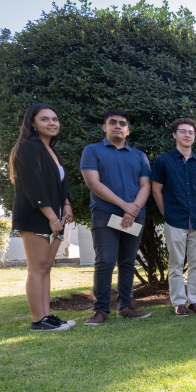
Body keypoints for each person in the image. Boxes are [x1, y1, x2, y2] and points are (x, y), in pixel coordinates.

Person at [81, 109, 152, 325]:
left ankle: (125, 307)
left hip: (134, 215)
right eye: (113, 122)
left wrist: (134, 209)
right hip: (105, 214)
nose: (118, 126)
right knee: (105, 262)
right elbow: (93, 182)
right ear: (104, 127)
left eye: (122, 123)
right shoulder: (92, 151)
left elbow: (145, 185)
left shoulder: (139, 155)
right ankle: (101, 310)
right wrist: (125, 207)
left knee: (128, 263)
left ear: (128, 130)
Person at [9, 103, 75, 331]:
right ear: (33, 124)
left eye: (54, 119)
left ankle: (47, 316)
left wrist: (66, 204)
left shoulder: (51, 150)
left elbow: (58, 185)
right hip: (36, 215)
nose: (52, 123)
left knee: (46, 267)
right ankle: (39, 320)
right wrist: (51, 217)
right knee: (37, 268)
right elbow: (33, 186)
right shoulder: (28, 147)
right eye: (45, 119)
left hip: (54, 215)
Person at [150, 118, 196, 317]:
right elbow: (156, 190)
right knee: (176, 263)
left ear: (194, 137)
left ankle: (195, 301)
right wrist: (166, 213)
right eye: (183, 131)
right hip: (174, 220)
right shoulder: (163, 161)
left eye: (191, 132)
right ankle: (178, 303)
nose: (187, 135)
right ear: (174, 134)